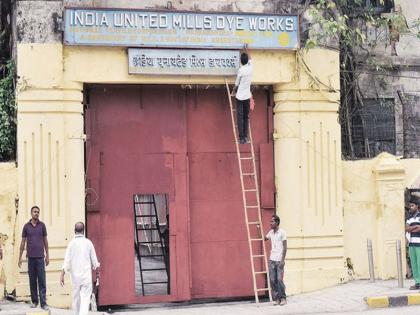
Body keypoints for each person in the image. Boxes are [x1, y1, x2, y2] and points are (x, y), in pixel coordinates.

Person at [60, 222, 100, 315]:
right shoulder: (88, 243)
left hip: (75, 278)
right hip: (86, 278)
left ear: (74, 231)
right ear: (84, 231)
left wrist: (62, 274)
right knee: (85, 300)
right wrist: (98, 274)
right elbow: (95, 261)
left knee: (76, 299)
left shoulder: (71, 244)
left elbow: (67, 261)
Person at [18, 206, 49, 310]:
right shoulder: (26, 226)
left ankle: (43, 303)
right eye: (35, 212)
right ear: (31, 213)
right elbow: (23, 242)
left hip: (40, 258)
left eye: (38, 212)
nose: (37, 213)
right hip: (30, 258)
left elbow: (45, 241)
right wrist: (20, 257)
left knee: (42, 281)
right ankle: (35, 301)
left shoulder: (42, 225)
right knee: (32, 280)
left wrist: (47, 255)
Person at [265, 214, 287, 305]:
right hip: (272, 260)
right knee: (272, 280)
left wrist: (282, 260)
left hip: (279, 260)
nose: (270, 223)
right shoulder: (271, 233)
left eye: (272, 221)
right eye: (270, 221)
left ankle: (283, 298)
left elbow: (285, 247)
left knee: (279, 279)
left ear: (277, 222)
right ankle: (277, 298)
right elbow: (264, 238)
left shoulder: (282, 232)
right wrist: (258, 229)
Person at [232, 46, 253, 144]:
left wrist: (233, 91)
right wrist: (246, 49)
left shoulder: (241, 70)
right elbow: (251, 58)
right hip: (247, 97)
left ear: (241, 61)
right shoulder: (250, 68)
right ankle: (246, 137)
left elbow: (236, 84)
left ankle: (241, 138)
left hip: (240, 97)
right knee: (246, 117)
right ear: (247, 60)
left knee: (240, 118)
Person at [406, 198, 420, 290]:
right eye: (410, 206)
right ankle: (417, 283)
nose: (411, 207)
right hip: (411, 244)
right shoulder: (409, 218)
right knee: (414, 264)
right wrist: (415, 226)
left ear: (417, 206)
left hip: (419, 244)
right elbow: (406, 229)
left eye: (412, 205)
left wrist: (412, 228)